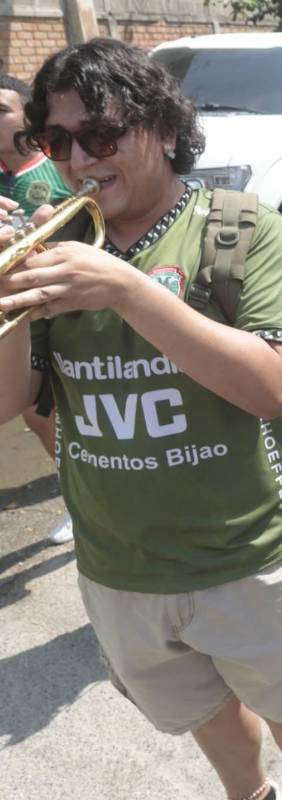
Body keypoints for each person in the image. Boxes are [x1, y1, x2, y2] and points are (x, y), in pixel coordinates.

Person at [0, 38, 282, 800]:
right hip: (119, 566)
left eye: (99, 135)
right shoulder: (58, 245)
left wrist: (128, 291)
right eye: (57, 142)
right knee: (203, 710)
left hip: (244, 556)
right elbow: (7, 403)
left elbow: (270, 386)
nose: (76, 159)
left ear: (163, 128)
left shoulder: (242, 229)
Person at [0, 73, 74, 544]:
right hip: (22, 310)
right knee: (34, 412)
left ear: (28, 116)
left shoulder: (58, 165)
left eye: (0, 111)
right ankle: (76, 494)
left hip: (67, 303)